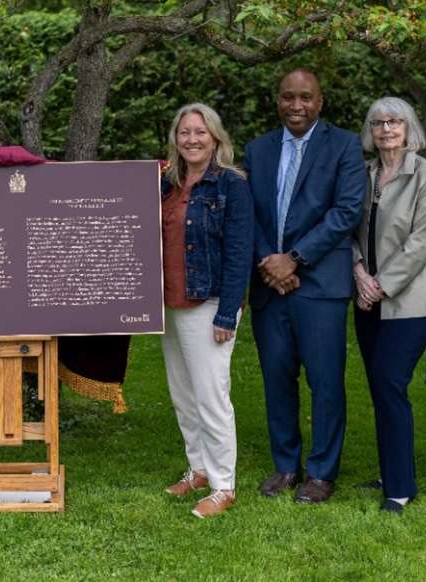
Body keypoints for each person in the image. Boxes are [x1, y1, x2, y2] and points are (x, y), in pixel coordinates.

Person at [244, 69, 365, 504]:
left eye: (306, 98)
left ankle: (322, 471)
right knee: (277, 377)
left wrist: (293, 260)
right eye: (288, 97)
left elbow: (347, 211)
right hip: (268, 285)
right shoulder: (258, 150)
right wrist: (269, 263)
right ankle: (285, 466)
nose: (297, 106)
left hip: (318, 286)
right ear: (277, 100)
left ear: (321, 100)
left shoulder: (345, 146)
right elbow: (249, 213)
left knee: (325, 381)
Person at [351, 97, 426, 513]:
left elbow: (421, 243)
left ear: (409, 128)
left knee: (390, 382)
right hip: (365, 297)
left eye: (395, 122)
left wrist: (381, 286)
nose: (386, 129)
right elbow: (348, 230)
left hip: (411, 301)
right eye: (378, 123)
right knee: (380, 388)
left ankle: (401, 487)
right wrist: (358, 272)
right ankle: (391, 472)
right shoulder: (362, 175)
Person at [158, 103, 253, 518]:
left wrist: (227, 313)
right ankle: (197, 468)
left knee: (211, 395)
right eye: (184, 132)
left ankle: (222, 485)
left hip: (208, 302)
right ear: (175, 139)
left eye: (200, 132)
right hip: (169, 303)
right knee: (183, 394)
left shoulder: (231, 185)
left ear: (216, 138)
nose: (192, 139)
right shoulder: (166, 184)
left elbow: (239, 253)